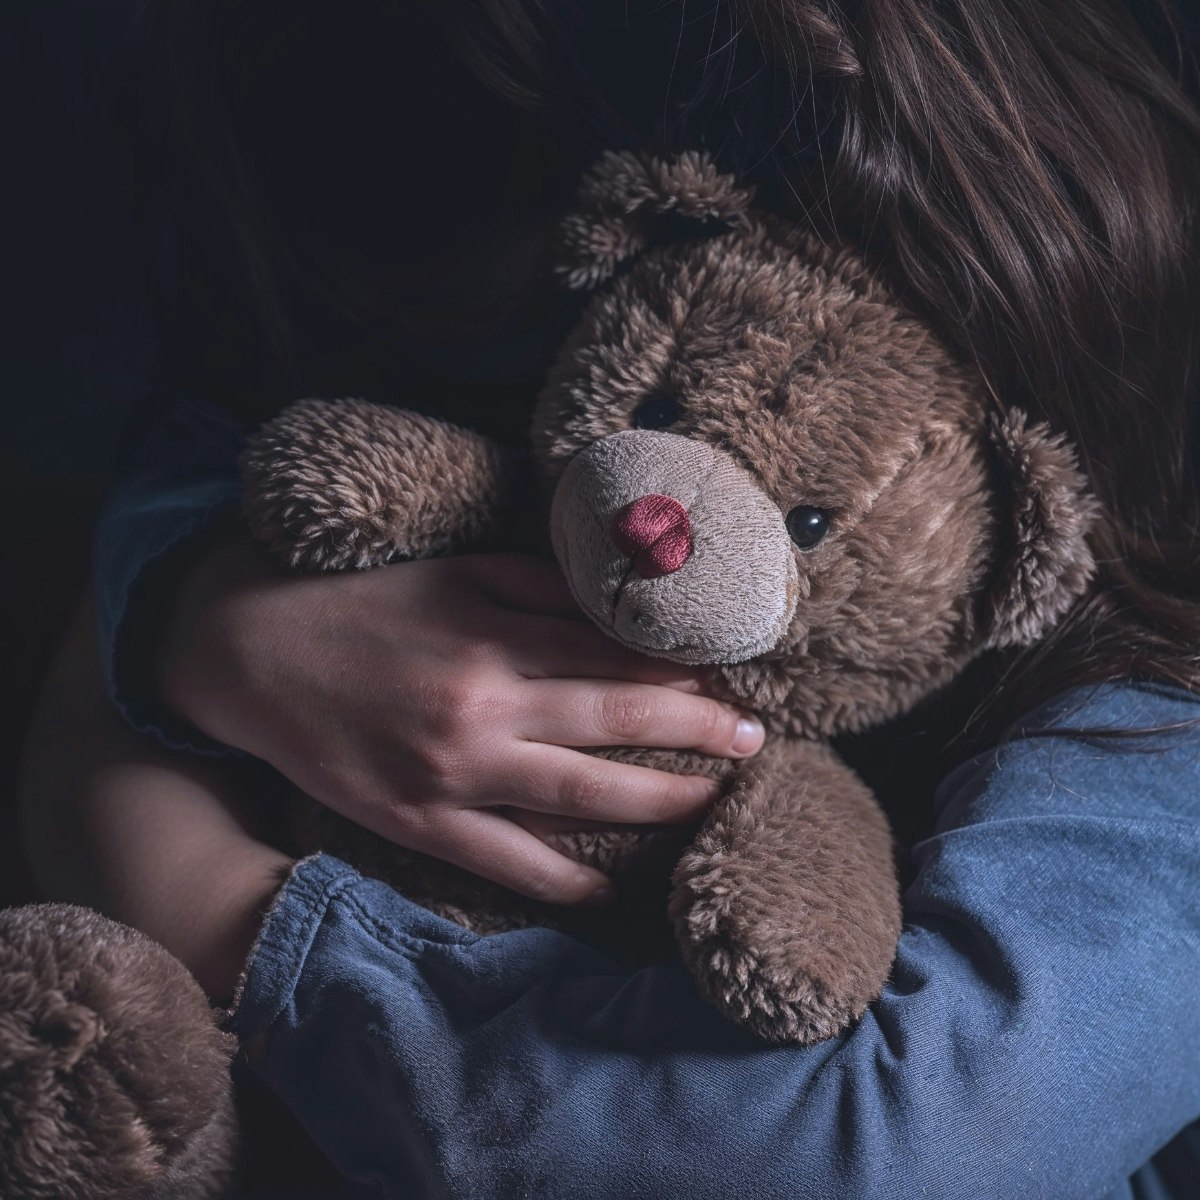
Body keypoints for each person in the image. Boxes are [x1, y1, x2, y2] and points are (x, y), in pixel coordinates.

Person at [15, 1, 1200, 1196]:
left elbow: (882, 1153)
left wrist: (207, 897)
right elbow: (207, 421)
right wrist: (200, 616)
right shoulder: (407, 87)